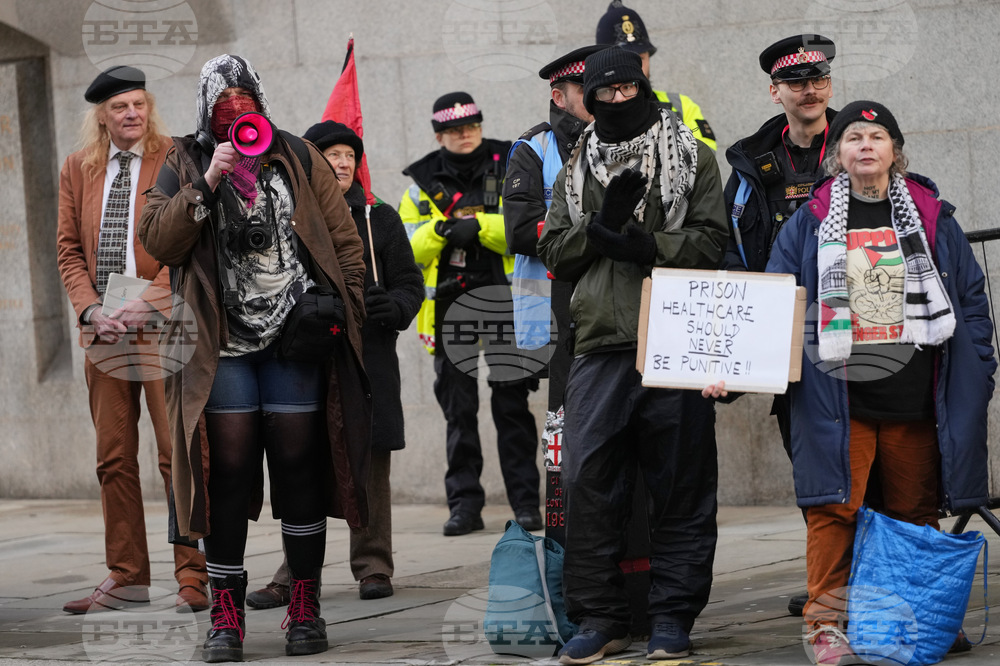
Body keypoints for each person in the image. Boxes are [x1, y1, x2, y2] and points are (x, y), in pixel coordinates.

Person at [139, 55, 371, 662]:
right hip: (222, 350)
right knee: (229, 473)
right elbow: (157, 242)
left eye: (246, 97)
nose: (236, 109)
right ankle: (226, 614)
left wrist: (342, 313)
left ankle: (304, 603)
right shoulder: (184, 159)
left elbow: (345, 240)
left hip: (294, 340)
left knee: (299, 467)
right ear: (205, 108)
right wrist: (208, 181)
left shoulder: (294, 153)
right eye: (224, 100)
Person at [762, 101, 996, 665]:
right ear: (837, 154)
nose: (865, 145)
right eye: (852, 138)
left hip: (917, 396)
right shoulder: (811, 221)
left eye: (877, 136)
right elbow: (776, 305)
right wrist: (739, 368)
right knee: (834, 509)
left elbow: (970, 303)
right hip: (839, 397)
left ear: (895, 149)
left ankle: (918, 616)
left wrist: (980, 369)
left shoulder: (933, 217)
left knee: (914, 512)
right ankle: (826, 624)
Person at [537, 47, 727, 664]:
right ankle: (601, 616)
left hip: (677, 339)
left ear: (644, 88)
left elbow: (710, 241)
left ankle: (673, 615)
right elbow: (555, 252)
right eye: (605, 94)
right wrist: (597, 227)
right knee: (588, 481)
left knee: (681, 484)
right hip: (599, 343)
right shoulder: (575, 168)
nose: (618, 101)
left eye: (627, 89)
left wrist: (650, 244)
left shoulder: (692, 156)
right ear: (587, 101)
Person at [245, 121, 423, 608]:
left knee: (371, 461)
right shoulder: (289, 214)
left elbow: (411, 281)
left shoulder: (379, 218)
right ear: (312, 164)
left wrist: (398, 306)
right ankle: (293, 574)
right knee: (300, 462)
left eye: (349, 155)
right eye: (330, 155)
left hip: (368, 358)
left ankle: (373, 566)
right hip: (305, 357)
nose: (342, 163)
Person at [56, 65, 208, 615]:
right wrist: (91, 308)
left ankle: (193, 575)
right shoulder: (78, 168)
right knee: (113, 458)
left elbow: (192, 240)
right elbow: (69, 249)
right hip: (105, 332)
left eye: (139, 104)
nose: (132, 114)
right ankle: (126, 577)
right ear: (102, 115)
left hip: (163, 323)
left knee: (177, 455)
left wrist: (153, 294)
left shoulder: (176, 157)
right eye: (120, 107)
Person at [720, 33, 837, 618]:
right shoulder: (750, 165)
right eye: (796, 82)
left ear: (829, 87)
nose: (808, 90)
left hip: (862, 337)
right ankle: (831, 578)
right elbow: (730, 254)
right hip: (788, 341)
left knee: (877, 466)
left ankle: (874, 575)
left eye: (817, 79)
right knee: (811, 463)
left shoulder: (862, 141)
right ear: (775, 92)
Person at [400, 92, 542, 537]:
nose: (465, 135)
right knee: (458, 413)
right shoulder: (421, 181)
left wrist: (479, 225)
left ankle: (525, 504)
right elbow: (406, 249)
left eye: (472, 126)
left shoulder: (510, 162)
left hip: (505, 305)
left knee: (512, 408)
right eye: (455, 130)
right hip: (449, 307)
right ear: (439, 134)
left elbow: (526, 230)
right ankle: (464, 506)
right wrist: (441, 231)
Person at [503, 44, 602, 419]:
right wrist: (595, 227)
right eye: (585, 88)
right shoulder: (533, 148)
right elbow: (521, 231)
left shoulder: (630, 141)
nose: (598, 96)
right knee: (566, 428)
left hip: (615, 307)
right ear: (558, 97)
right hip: (555, 309)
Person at [596, 1, 717, 151]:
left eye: (640, 58)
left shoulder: (681, 105)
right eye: (625, 60)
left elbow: (705, 153)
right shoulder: (591, 113)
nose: (635, 67)